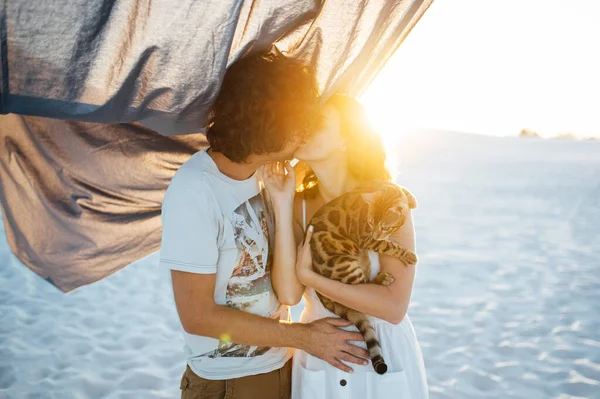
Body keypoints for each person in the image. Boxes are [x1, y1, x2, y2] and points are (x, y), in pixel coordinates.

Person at [159, 53, 371, 399]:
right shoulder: (194, 192)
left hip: (283, 369)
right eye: (298, 123)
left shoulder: (267, 172)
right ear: (269, 127)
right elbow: (197, 317)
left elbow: (341, 172)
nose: (305, 132)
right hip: (229, 384)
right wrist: (306, 337)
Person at [263, 94, 429, 398]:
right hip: (319, 355)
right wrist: (283, 202)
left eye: (319, 122)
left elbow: (393, 307)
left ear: (347, 138)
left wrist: (314, 279)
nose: (305, 129)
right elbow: (288, 294)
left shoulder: (389, 201)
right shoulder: (298, 205)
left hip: (384, 350)